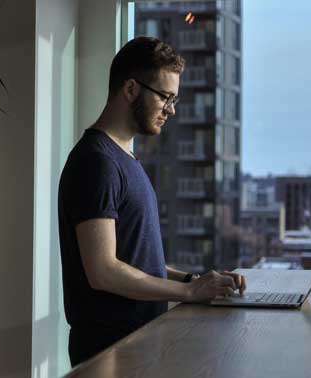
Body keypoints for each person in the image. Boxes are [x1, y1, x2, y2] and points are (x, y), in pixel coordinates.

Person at [58, 36, 247, 367]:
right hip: (108, 353)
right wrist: (189, 294)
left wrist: (196, 281)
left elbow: (134, 261)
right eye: (166, 97)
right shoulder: (97, 163)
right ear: (131, 90)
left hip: (136, 345)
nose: (171, 110)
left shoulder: (124, 160)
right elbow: (103, 271)